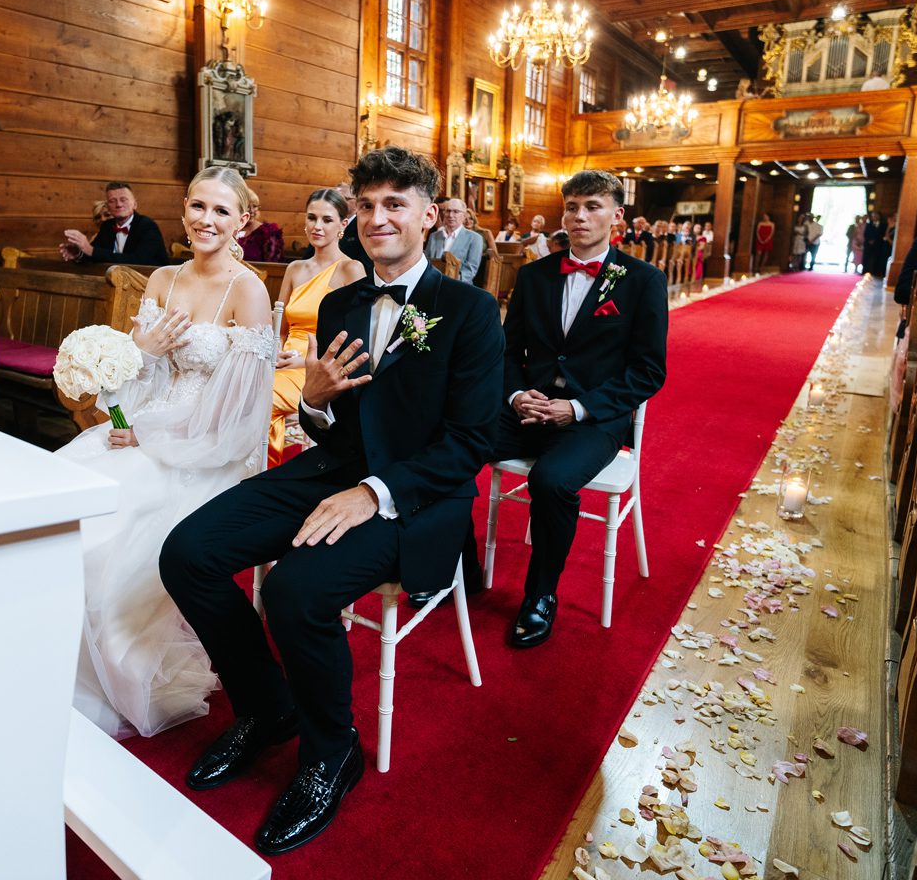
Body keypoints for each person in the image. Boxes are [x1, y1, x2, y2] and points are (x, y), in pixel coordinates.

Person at [159, 146, 502, 855]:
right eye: (366, 206)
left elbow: (472, 440)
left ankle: (331, 753)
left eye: (395, 204)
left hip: (417, 494)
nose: (378, 218)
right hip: (332, 468)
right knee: (187, 552)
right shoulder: (344, 301)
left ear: (428, 216)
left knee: (296, 591)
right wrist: (313, 403)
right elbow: (337, 422)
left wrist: (374, 494)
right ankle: (267, 708)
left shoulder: (469, 311)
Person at [53, 167, 274, 738]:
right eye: (198, 206)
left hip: (206, 452)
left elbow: (239, 414)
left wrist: (151, 438)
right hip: (143, 430)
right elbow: (125, 393)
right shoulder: (162, 279)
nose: (207, 220)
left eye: (221, 210)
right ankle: (51, 662)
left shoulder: (247, 290)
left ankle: (112, 673)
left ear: (243, 220)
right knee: (62, 494)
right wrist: (141, 358)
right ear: (183, 210)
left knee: (106, 530)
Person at [492, 170, 668, 648]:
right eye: (572, 207)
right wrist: (516, 396)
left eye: (592, 206)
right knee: (454, 439)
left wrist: (578, 408)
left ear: (617, 215)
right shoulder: (534, 275)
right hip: (530, 408)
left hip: (593, 419)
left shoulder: (643, 281)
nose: (579, 216)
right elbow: (506, 352)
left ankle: (540, 595)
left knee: (550, 481)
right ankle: (454, 565)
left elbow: (648, 372)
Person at [268, 189, 367, 466]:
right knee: (240, 388)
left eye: (327, 219)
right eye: (312, 218)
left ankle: (265, 470)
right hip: (282, 361)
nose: (317, 226)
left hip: (319, 367)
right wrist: (275, 353)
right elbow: (281, 328)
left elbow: (357, 337)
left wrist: (302, 361)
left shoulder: (351, 269)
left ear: (342, 225)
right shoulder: (295, 269)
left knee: (261, 397)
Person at [60, 182, 169, 265]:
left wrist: (91, 250)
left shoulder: (148, 226)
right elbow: (96, 255)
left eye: (123, 199)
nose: (118, 205)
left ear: (135, 204)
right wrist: (78, 253)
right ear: (108, 207)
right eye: (112, 201)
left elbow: (139, 260)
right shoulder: (107, 226)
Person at [426, 196, 485, 283]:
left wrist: (448, 282)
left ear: (464, 216)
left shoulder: (474, 238)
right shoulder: (434, 236)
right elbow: (426, 262)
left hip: (458, 285)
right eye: (448, 211)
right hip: (432, 282)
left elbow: (470, 271)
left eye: (456, 211)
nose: (450, 215)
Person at [236, 191, 285, 262]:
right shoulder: (231, 228)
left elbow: (273, 265)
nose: (252, 210)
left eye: (255, 206)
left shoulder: (268, 232)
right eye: (247, 207)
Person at [863, 212, 892, 279]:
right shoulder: (869, 224)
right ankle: (865, 271)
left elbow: (883, 234)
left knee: (877, 258)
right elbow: (866, 234)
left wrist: (876, 241)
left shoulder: (883, 225)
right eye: (873, 216)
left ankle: (876, 272)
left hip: (879, 245)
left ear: (879, 216)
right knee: (867, 258)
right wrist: (869, 240)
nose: (874, 217)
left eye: (875, 215)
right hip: (869, 245)